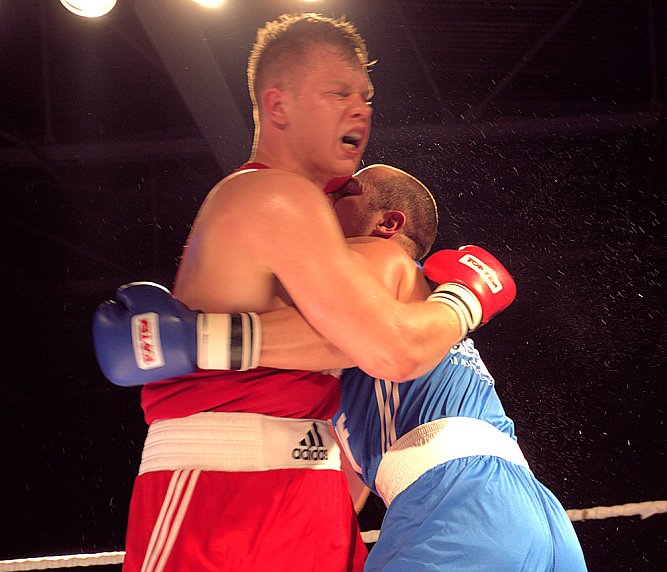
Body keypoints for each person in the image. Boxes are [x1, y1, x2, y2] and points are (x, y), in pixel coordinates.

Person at [94, 13, 516, 572]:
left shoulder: (317, 229)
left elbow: (340, 343)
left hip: (310, 493)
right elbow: (391, 350)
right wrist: (463, 299)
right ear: (279, 107)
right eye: (337, 92)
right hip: (222, 493)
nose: (360, 109)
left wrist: (200, 339)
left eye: (365, 96)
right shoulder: (270, 194)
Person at [95, 164, 587, 570]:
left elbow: (327, 336)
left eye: (345, 194)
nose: (323, 204)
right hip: (533, 519)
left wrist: (192, 338)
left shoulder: (378, 260)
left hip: (458, 507)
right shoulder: (391, 317)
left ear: (387, 225)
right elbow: (344, 480)